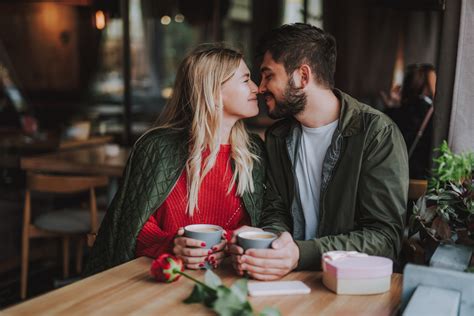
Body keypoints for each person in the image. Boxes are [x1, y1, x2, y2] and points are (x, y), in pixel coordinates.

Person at [229, 23, 409, 280]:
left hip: (352, 284)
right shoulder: (278, 137)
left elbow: (384, 239)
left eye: (269, 75)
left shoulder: (377, 134)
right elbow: (276, 209)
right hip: (289, 278)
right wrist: (273, 246)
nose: (260, 87)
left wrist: (301, 254)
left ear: (303, 76)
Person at [84, 45, 266, 276]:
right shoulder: (156, 148)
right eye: (246, 80)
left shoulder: (254, 151)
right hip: (162, 277)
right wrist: (172, 245)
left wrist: (231, 242)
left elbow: (264, 223)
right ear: (214, 92)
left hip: (233, 278)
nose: (257, 88)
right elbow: (130, 228)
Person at [386, 64, 436, 179]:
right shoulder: (431, 113)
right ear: (428, 85)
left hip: (393, 173)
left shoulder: (396, 111)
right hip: (420, 176)